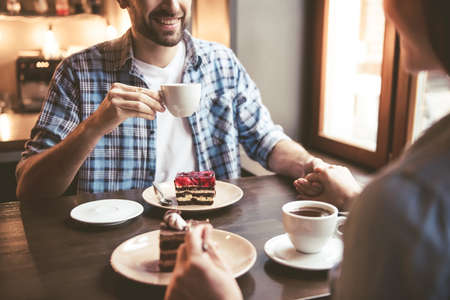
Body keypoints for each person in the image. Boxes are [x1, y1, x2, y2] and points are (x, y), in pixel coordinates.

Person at [164, 0, 450, 299]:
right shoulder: (405, 200)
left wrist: (314, 167)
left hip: (222, 242)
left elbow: (265, 137)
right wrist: (354, 199)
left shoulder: (404, 205)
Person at [15, 0, 326, 202]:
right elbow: (30, 190)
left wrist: (313, 167)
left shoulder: (222, 63)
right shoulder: (78, 72)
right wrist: (94, 127)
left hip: (214, 231)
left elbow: (265, 139)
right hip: (115, 241)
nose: (172, 5)